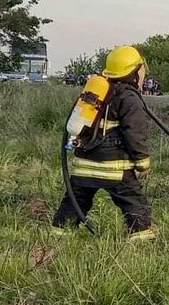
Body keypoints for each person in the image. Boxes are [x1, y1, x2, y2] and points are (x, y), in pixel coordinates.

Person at [52, 45, 155, 241]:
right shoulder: (130, 97)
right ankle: (142, 241)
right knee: (134, 204)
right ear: (134, 72)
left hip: (83, 165)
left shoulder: (96, 91)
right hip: (114, 168)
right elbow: (135, 133)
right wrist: (142, 162)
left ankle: (58, 237)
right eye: (141, 70)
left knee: (74, 203)